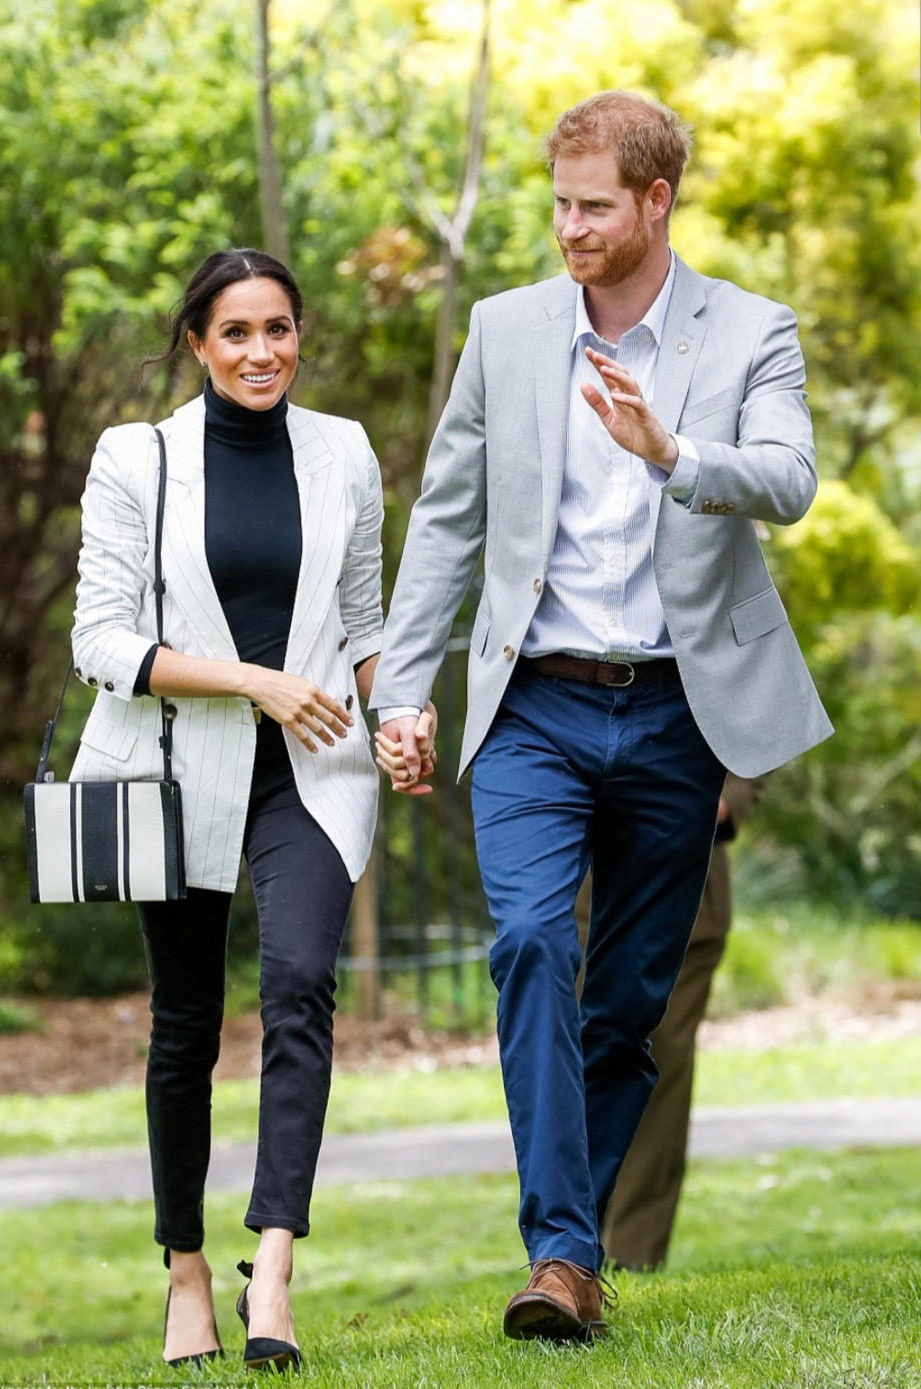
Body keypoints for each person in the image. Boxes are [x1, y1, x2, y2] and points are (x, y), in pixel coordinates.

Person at [371, 91, 831, 1342]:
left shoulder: (751, 330)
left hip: (681, 712)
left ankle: (570, 1259)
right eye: (558, 202)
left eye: (592, 206)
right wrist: (403, 687)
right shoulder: (508, 331)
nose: (567, 226)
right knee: (529, 944)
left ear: (655, 202)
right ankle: (562, 1258)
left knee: (628, 1003)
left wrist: (673, 450)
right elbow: (451, 520)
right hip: (534, 705)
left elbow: (787, 479)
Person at [70, 248, 434, 1373]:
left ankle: (271, 1265)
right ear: (197, 343)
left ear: (298, 333)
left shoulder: (344, 451)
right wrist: (253, 680)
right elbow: (101, 642)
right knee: (184, 1028)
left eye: (278, 329)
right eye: (235, 333)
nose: (261, 352)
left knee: (297, 989)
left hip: (310, 775)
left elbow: (368, 622)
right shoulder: (141, 458)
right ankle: (185, 1271)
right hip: (177, 773)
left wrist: (401, 713)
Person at [596, 773, 767, 1271]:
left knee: (660, 1072)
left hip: (689, 885)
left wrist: (727, 798)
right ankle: (565, 1253)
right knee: (578, 1064)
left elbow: (770, 704)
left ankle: (632, 1258)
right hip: (582, 889)